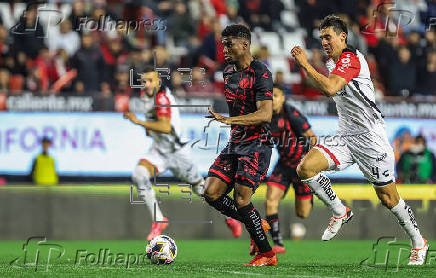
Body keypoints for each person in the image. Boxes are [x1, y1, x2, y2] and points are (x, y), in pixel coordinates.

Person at [291, 15, 428, 265]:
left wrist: (305, 65)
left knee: (389, 199)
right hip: (345, 135)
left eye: (328, 37)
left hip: (370, 139)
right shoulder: (333, 62)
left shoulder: (350, 59)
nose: (324, 42)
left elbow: (331, 88)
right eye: (321, 37)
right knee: (305, 168)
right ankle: (340, 211)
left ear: (343, 37)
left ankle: (418, 242)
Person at [204, 24, 278, 266]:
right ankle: (255, 222)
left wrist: (229, 120)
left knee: (242, 200)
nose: (224, 48)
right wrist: (232, 124)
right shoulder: (227, 73)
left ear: (244, 45)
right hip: (236, 142)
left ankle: (267, 254)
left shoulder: (262, 73)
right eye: (223, 43)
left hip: (257, 144)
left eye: (229, 44)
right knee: (211, 192)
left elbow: (265, 114)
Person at [123, 66, 205, 241]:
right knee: (139, 175)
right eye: (143, 81)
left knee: (203, 190)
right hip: (159, 151)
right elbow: (153, 124)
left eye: (150, 80)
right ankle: (158, 220)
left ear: (158, 81)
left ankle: (231, 217)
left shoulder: (163, 98)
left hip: (177, 152)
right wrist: (148, 128)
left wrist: (139, 122)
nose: (146, 84)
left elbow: (166, 127)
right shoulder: (144, 98)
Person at [265, 87, 316, 254]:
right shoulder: (265, 115)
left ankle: (309, 194)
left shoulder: (291, 114)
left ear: (283, 98)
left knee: (303, 213)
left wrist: (310, 163)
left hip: (301, 167)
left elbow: (312, 137)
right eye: (270, 96)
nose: (272, 99)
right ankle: (278, 242)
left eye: (276, 95)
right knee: (271, 199)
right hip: (284, 166)